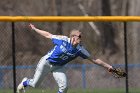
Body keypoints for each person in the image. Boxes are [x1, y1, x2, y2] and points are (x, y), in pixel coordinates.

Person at [17, 23, 113, 93]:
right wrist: (35, 29)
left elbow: (94, 59)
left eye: (80, 37)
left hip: (59, 67)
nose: (80, 38)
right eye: (78, 36)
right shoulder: (62, 40)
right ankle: (25, 82)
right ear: (72, 37)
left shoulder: (80, 49)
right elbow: (48, 35)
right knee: (35, 84)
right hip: (46, 63)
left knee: (64, 87)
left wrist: (108, 66)